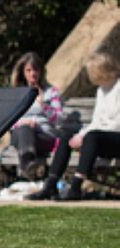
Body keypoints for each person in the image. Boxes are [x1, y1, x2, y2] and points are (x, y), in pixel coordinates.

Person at [26, 51, 120, 201]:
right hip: (99, 138)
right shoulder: (102, 90)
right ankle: (50, 184)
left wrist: (87, 136)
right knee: (67, 137)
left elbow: (117, 124)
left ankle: (76, 186)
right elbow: (96, 121)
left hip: (115, 138)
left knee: (91, 136)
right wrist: (80, 135)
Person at [8, 52, 63, 180]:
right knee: (24, 130)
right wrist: (23, 123)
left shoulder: (51, 92)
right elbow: (9, 121)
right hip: (21, 134)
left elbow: (59, 120)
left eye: (36, 70)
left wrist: (44, 105)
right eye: (28, 70)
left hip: (44, 136)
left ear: (41, 71)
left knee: (26, 133)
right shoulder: (17, 93)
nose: (32, 73)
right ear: (23, 72)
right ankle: (30, 167)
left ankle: (26, 173)